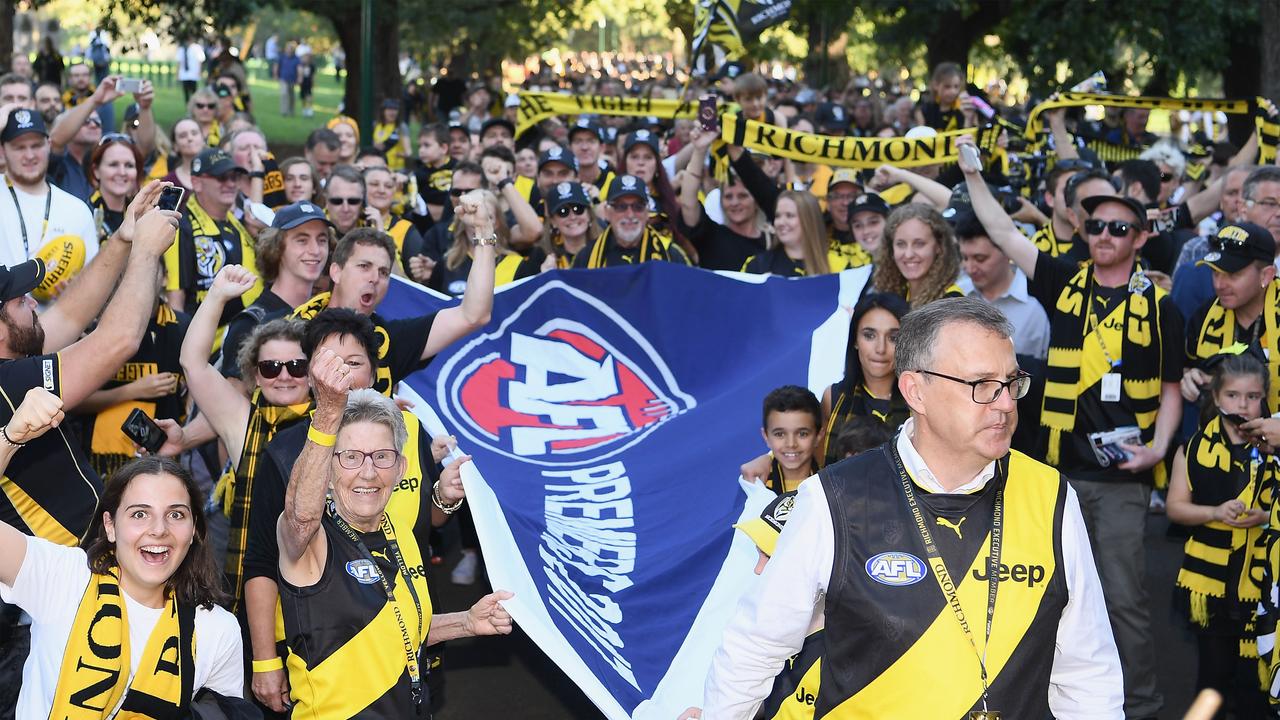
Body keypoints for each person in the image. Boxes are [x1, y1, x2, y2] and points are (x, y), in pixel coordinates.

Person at [704, 298, 1123, 717]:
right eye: (982, 385)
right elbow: (754, 650)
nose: (1006, 403)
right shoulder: (831, 498)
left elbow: (1087, 671)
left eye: (1012, 382)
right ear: (915, 391)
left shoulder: (1052, 495)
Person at [958, 135, 1181, 718]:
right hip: (1055, 475)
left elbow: (1172, 388)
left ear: (1139, 238)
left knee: (1125, 601)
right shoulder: (1061, 280)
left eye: (1117, 228)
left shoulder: (1161, 307)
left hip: (1122, 481)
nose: (1104, 236)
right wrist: (972, 174)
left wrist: (1157, 450)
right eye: (1096, 226)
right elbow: (1004, 234)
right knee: (1048, 596)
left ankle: (1142, 708)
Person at [240, 309, 466, 714]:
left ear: (376, 372)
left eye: (354, 362)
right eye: (329, 363)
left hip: (407, 625)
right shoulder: (286, 452)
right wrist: (264, 659)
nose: (342, 374)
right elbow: (262, 557)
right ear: (312, 376)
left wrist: (443, 498)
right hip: (326, 641)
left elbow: (424, 527)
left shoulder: (409, 433)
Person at [276, 357, 513, 716]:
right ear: (327, 469)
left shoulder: (398, 530)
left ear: (401, 468)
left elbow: (395, 629)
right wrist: (327, 413)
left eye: (382, 457)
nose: (368, 473)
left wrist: (466, 621)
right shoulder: (313, 537)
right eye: (351, 457)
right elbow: (299, 518)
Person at [0, 391, 243, 717]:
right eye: (140, 514)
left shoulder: (218, 631)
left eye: (175, 514)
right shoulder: (63, 578)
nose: (159, 529)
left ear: (195, 530)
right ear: (110, 527)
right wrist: (10, 437)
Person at [177, 264, 314, 613]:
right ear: (255, 375)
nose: (284, 377)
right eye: (271, 367)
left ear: (312, 372)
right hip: (255, 575)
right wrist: (218, 295)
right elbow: (193, 363)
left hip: (319, 579)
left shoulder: (335, 420)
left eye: (296, 367)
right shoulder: (243, 419)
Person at [1167, 351, 1272, 718]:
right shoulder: (1192, 448)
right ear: (1215, 397)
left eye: (1252, 396)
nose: (1242, 405)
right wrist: (1214, 512)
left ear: (1265, 397)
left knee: (1259, 682)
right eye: (1232, 396)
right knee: (1213, 678)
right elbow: (1175, 507)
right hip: (1208, 584)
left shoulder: (1274, 451)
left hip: (1262, 583)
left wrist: (1267, 516)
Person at [218, 201, 334, 381]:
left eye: (322, 240)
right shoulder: (251, 323)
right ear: (277, 248)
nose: (315, 250)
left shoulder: (327, 314)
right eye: (302, 240)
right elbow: (232, 400)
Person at [0, 106, 97, 282]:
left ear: (49, 145)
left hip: (59, 309)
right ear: (2, 150)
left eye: (36, 145)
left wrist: (73, 291)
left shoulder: (77, 210)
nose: (29, 155)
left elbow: (93, 283)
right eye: (19, 147)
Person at [164, 147, 260, 315]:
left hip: (245, 329)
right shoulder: (182, 228)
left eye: (234, 177)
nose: (230, 184)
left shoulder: (238, 222)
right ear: (196, 183)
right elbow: (175, 300)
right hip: (209, 338)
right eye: (222, 177)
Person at [955, 210, 1050, 360]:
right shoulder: (957, 293)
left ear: (1007, 252)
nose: (970, 268)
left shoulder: (1036, 306)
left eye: (980, 259)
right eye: (965, 258)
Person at [678, 127, 770, 271]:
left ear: (757, 201)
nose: (734, 203)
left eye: (742, 196)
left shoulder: (773, 241)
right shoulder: (711, 236)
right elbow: (688, 204)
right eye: (728, 196)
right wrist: (699, 151)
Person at [573, 174, 691, 268]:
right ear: (607, 213)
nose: (630, 214)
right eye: (621, 207)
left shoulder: (671, 254)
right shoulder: (586, 257)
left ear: (647, 213)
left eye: (638, 207)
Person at [871, 203, 963, 307]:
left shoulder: (952, 302)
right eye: (901, 244)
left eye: (919, 244)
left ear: (939, 246)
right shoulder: (895, 294)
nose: (908, 254)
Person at [740, 190, 830, 277]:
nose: (780, 222)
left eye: (789, 215)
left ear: (809, 220)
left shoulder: (836, 263)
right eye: (778, 216)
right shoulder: (758, 265)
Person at [757, 386, 823, 494]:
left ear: (818, 436)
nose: (791, 444)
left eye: (802, 434)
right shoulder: (755, 486)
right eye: (780, 434)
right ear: (766, 436)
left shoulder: (834, 486)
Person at [87, 133, 145, 239]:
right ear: (96, 171)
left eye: (129, 165)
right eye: (113, 164)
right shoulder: (84, 213)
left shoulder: (142, 215)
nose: (122, 172)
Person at [159, 117, 204, 201]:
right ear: (175, 145)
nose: (190, 138)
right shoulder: (169, 182)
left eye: (194, 133)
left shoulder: (218, 174)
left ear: (203, 138)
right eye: (183, 136)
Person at [374, 99, 411, 171]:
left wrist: (397, 154)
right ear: (383, 111)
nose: (392, 112)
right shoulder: (376, 125)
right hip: (379, 167)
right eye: (389, 109)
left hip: (396, 169)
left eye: (395, 109)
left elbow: (408, 152)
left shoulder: (401, 127)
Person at [176, 35, 205, 102]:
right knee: (186, 92)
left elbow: (200, 60)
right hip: (184, 74)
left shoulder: (197, 48)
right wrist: (177, 74)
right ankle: (188, 106)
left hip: (193, 73)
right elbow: (179, 62)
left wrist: (200, 71)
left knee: (194, 91)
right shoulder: (182, 48)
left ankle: (195, 105)